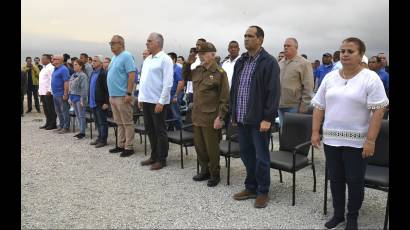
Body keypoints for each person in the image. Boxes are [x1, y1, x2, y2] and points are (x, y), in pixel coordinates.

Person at [311, 37, 389, 230]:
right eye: (343, 50)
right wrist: (315, 132)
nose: (345, 54)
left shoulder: (370, 78)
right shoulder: (330, 77)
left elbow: (379, 110)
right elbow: (319, 106)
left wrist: (370, 140)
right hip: (331, 141)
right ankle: (338, 214)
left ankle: (352, 217)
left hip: (357, 142)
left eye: (350, 51)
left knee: (355, 181)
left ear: (361, 55)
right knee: (335, 179)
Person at [230, 26, 280, 208]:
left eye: (250, 36)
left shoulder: (269, 62)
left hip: (260, 121)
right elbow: (234, 89)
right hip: (243, 118)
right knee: (245, 154)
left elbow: (273, 92)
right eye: (245, 36)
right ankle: (251, 186)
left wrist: (268, 118)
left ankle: (263, 191)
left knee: (261, 157)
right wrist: (233, 113)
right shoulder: (241, 61)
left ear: (260, 39)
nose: (246, 39)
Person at [183, 42, 229, 187]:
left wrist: (220, 117)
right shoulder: (198, 70)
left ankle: (215, 174)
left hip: (211, 117)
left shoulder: (220, 73)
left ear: (213, 55)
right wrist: (188, 61)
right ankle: (204, 171)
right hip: (197, 115)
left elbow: (224, 98)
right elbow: (185, 76)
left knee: (212, 148)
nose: (201, 56)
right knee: (200, 147)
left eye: (204, 54)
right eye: (200, 54)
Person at [138, 32, 173, 170]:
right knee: (150, 129)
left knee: (160, 131)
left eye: (149, 41)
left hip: (157, 101)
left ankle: (161, 159)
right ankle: (154, 155)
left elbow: (168, 83)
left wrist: (161, 101)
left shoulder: (165, 59)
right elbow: (143, 80)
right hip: (146, 100)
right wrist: (140, 97)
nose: (146, 43)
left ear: (157, 43)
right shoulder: (147, 60)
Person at [106, 35, 137, 157]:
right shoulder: (114, 57)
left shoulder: (127, 56)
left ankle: (129, 147)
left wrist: (129, 93)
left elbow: (131, 75)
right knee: (119, 122)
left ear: (121, 44)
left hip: (122, 95)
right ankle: (120, 144)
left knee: (127, 122)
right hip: (113, 96)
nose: (111, 45)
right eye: (110, 43)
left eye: (113, 43)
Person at [278, 37, 314, 127]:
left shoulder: (304, 63)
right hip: (280, 105)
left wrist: (304, 105)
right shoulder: (280, 63)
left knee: (294, 135)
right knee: (284, 134)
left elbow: (308, 85)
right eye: (284, 46)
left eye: (288, 46)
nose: (285, 48)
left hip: (295, 106)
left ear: (296, 47)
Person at [89, 55, 110, 147]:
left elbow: (107, 89)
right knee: (97, 121)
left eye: (95, 61)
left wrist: (106, 102)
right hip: (93, 101)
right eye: (92, 61)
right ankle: (99, 137)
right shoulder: (93, 73)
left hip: (101, 102)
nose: (93, 62)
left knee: (102, 122)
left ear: (101, 63)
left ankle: (103, 140)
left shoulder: (103, 74)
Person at [68, 59, 89, 139]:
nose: (74, 66)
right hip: (73, 96)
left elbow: (84, 88)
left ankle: (82, 132)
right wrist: (70, 97)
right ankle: (80, 130)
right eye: (74, 64)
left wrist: (82, 98)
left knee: (81, 115)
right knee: (77, 115)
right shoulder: (73, 75)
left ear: (81, 66)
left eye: (76, 64)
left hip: (79, 97)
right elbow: (70, 87)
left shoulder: (83, 75)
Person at [51, 55, 71, 134]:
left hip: (61, 94)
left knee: (64, 111)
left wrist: (65, 94)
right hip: (55, 94)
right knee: (58, 111)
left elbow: (66, 82)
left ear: (60, 60)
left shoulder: (64, 69)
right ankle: (61, 125)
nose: (53, 60)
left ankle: (66, 127)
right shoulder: (55, 69)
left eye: (54, 59)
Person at [38, 54, 57, 130]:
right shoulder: (43, 68)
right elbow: (42, 81)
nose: (41, 60)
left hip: (48, 92)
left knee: (50, 109)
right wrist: (39, 91)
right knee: (45, 109)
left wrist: (49, 90)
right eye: (41, 58)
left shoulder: (51, 68)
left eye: (43, 59)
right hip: (43, 92)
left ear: (48, 59)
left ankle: (53, 124)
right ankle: (47, 123)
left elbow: (52, 80)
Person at [167, 52, 184, 130]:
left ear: (173, 59)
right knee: (169, 114)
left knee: (176, 114)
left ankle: (180, 132)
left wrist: (176, 95)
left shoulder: (177, 68)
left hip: (175, 94)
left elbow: (181, 83)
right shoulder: (168, 69)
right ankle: (170, 130)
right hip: (168, 95)